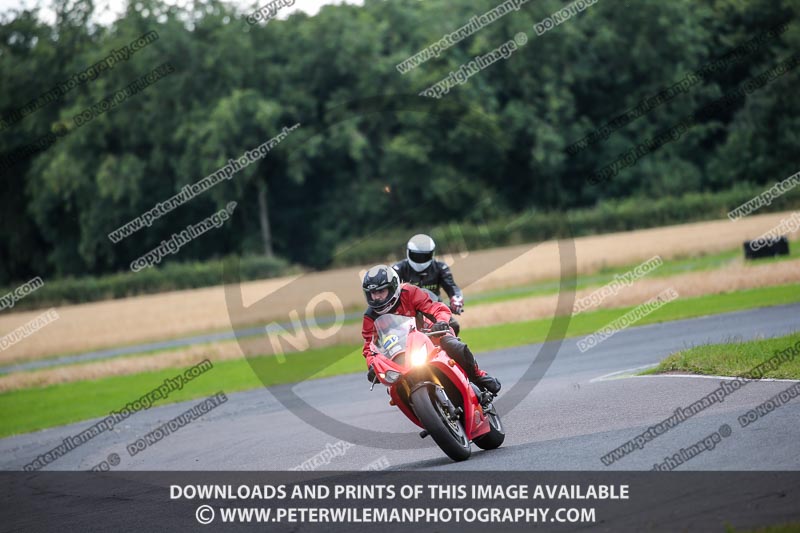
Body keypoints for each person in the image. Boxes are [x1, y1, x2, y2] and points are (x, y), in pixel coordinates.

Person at [360, 264, 500, 394]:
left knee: (453, 345)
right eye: (372, 293)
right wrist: (373, 365)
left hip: (430, 334)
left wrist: (441, 322)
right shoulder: (370, 316)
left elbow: (436, 308)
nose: (377, 297)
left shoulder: (409, 292)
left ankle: (478, 376)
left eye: (381, 291)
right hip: (398, 352)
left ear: (393, 287)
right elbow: (369, 347)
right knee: (393, 388)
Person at [392, 234, 463, 335]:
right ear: (408, 252)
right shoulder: (397, 270)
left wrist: (456, 301)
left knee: (454, 326)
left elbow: (452, 287)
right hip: (406, 315)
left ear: (432, 254)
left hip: (434, 311)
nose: (420, 260)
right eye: (417, 256)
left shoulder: (441, 268)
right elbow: (389, 293)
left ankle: (455, 351)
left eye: (425, 256)